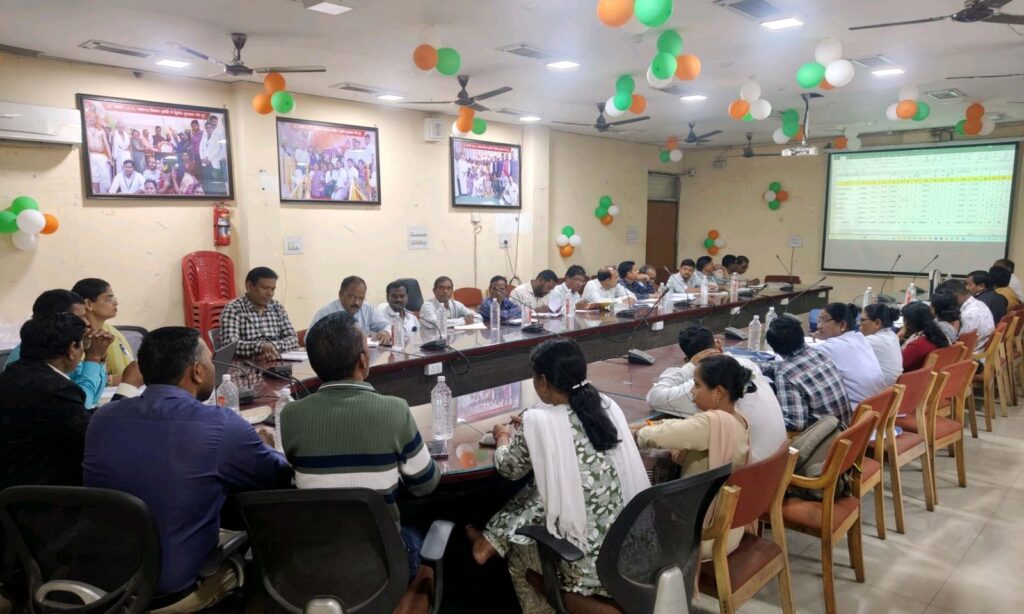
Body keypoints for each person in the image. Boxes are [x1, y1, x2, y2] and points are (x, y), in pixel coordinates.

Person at [84, 327, 293, 609]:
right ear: (197, 372)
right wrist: (264, 445)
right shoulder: (220, 425)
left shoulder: (102, 418)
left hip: (104, 587)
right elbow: (279, 478)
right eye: (210, 361)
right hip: (174, 593)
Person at [465, 339, 649, 611]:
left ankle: (495, 544)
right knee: (543, 491)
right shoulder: (607, 406)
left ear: (543, 382)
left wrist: (503, 436)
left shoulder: (538, 421)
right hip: (629, 550)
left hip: (585, 567)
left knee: (520, 552)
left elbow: (509, 468)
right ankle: (490, 540)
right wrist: (535, 432)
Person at [280, 312, 439, 578]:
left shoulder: (290, 415)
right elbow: (426, 484)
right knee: (418, 534)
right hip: (383, 565)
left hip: (315, 563)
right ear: (364, 361)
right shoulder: (395, 410)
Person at [635, 354, 754, 559]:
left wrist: (638, 431)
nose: (691, 391)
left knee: (638, 515)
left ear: (718, 392)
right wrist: (656, 425)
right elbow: (685, 427)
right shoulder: (737, 418)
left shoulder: (710, 423)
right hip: (731, 525)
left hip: (705, 533)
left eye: (697, 385)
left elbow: (656, 437)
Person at [646, 326, 786, 461]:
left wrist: (689, 367)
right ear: (718, 344)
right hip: (777, 461)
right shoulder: (745, 364)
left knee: (676, 449)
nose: (693, 390)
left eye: (696, 385)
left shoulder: (709, 382)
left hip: (750, 468)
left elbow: (655, 397)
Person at [3, 289, 142, 407]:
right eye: (79, 317)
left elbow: (93, 398)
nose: (87, 323)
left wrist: (99, 357)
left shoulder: (64, 347)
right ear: (57, 320)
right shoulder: (37, 354)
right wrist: (93, 359)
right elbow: (80, 404)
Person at [0, 313, 92, 490]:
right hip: (41, 491)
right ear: (72, 349)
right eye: (83, 344)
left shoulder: (8, 375)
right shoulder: (59, 390)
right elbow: (93, 437)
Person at [762, 318, 850, 432]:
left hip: (822, 439)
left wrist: (763, 417)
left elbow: (795, 424)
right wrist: (755, 365)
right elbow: (794, 367)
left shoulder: (784, 374)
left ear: (774, 348)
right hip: (845, 432)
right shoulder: (819, 354)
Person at [813, 302, 886, 406]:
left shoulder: (830, 347)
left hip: (858, 411)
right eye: (819, 320)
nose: (818, 326)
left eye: (824, 320)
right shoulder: (860, 338)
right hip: (878, 406)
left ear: (843, 325)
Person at [219, 267, 299, 360]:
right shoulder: (234, 308)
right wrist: (260, 347)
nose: (270, 293)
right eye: (265, 288)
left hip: (277, 360)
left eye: (273, 289)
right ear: (249, 286)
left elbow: (293, 339)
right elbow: (229, 346)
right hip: (246, 364)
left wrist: (272, 347)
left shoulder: (277, 307)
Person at [71, 278, 136, 381]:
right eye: (110, 299)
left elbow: (131, 368)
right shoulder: (74, 336)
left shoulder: (114, 333)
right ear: (88, 304)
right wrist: (112, 380)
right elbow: (75, 379)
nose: (116, 303)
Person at [310, 276, 391, 343]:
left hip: (362, 354)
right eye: (352, 297)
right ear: (341, 294)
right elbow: (309, 338)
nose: (357, 302)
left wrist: (386, 332)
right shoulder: (326, 312)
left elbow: (387, 326)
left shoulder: (367, 309)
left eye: (361, 298)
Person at [935, 279, 993, 351]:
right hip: (976, 349)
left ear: (954, 296)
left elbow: (961, 346)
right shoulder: (979, 303)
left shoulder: (969, 315)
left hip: (972, 354)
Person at [859, 303, 904, 386]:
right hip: (891, 390)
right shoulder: (893, 335)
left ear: (877, 323)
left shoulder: (872, 341)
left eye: (863, 320)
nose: (859, 323)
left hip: (881, 391)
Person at [901, 302, 952, 371]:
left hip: (906, 375)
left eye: (904, 319)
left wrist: (897, 337)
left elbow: (895, 365)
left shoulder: (917, 345)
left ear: (908, 322)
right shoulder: (938, 334)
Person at [85, 113, 114, 193]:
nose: (92, 119)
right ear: (87, 119)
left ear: (96, 119)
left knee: (105, 176)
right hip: (90, 155)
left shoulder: (101, 130)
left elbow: (107, 144)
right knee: (94, 176)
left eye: (94, 118)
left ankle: (108, 194)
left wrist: (110, 159)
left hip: (101, 155)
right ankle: (97, 194)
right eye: (90, 117)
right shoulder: (85, 129)